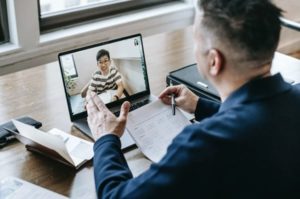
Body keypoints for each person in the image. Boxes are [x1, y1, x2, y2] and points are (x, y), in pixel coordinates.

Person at [86, 0, 300, 198]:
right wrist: (200, 106)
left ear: (214, 61)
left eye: (195, 41)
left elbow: (115, 196)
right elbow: (261, 119)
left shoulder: (204, 144)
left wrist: (106, 139)